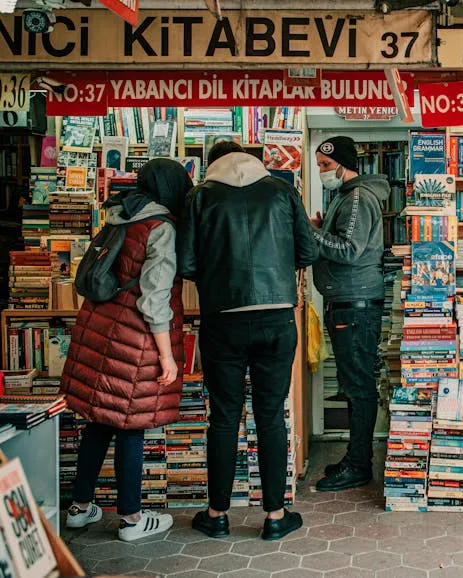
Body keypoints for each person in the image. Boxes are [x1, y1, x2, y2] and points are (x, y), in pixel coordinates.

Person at [178, 141, 318, 541]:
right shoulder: (280, 191)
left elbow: (187, 263)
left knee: (223, 416)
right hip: (276, 316)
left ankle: (217, 514)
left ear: (212, 165)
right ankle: (275, 516)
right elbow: (306, 251)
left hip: (223, 319)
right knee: (270, 414)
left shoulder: (200, 196)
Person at [60, 159, 191, 542]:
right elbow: (154, 300)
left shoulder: (121, 216)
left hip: (98, 332)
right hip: (133, 340)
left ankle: (80, 508)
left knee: (100, 419)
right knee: (131, 425)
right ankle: (132, 520)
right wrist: (167, 356)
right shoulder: (162, 228)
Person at [309, 136, 389, 492]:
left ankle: (358, 465)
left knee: (358, 387)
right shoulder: (345, 196)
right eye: (319, 167)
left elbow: (349, 248)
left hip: (355, 304)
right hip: (347, 302)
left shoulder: (357, 196)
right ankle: (355, 457)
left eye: (325, 166)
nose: (322, 172)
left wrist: (308, 234)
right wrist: (320, 229)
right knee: (353, 383)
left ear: (343, 164)